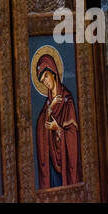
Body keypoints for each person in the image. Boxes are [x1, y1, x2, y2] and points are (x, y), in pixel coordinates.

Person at [34, 52, 81, 188]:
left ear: (53, 72)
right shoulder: (47, 104)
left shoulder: (68, 99)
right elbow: (41, 129)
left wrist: (58, 128)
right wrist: (49, 110)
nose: (46, 82)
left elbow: (73, 132)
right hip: (52, 160)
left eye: (46, 76)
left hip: (65, 159)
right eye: (43, 81)